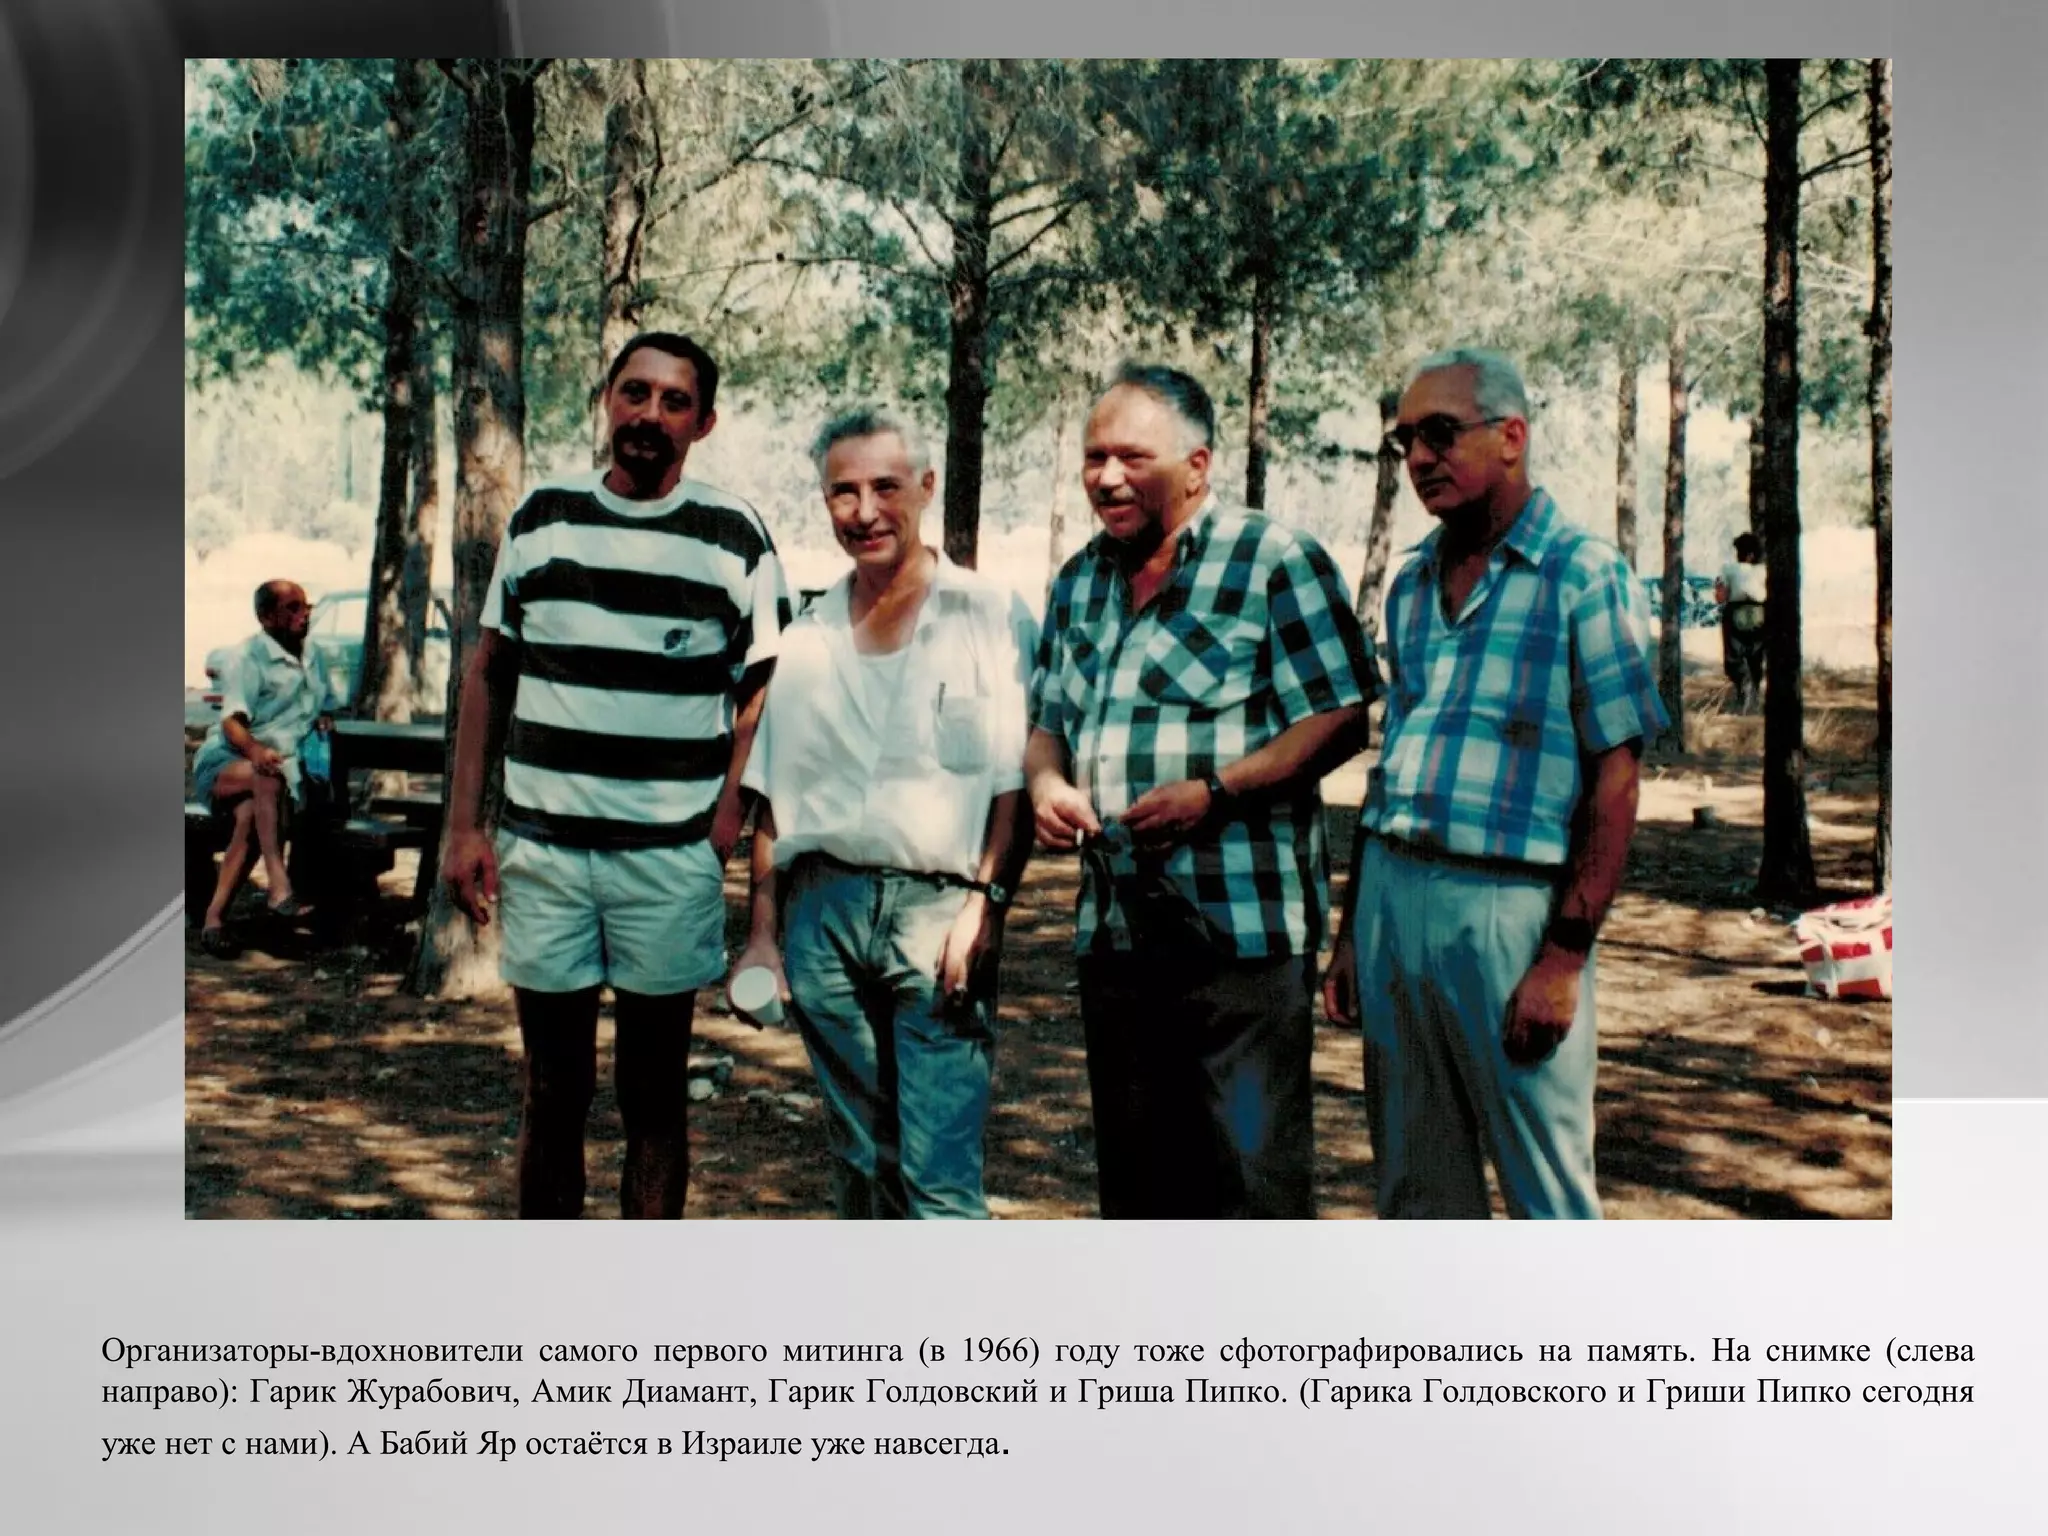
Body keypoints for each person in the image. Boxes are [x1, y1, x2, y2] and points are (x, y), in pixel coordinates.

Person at [441, 332, 793, 1220]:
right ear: (607, 399)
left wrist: (727, 816)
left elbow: (766, 692)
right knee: (553, 1095)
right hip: (546, 856)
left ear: (703, 422)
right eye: (635, 393)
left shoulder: (735, 535)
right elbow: (488, 673)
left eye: (675, 401)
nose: (650, 414)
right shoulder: (543, 519)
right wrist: (464, 826)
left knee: (654, 1101)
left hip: (666, 863)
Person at [1323, 347, 1667, 1220]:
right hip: (1396, 898)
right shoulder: (1410, 583)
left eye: (1442, 434)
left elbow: (1615, 783)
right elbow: (1393, 763)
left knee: (1545, 1193)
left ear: (1511, 436)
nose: (1420, 460)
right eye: (1405, 442)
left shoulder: (1583, 577)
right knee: (1415, 1185)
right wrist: (1354, 932)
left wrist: (1563, 957)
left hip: (1512, 913)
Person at [1026, 364, 1376, 1220]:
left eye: (1132, 457)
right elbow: (1049, 724)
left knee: (1249, 1187)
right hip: (1115, 933)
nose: (1107, 477)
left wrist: (1214, 793)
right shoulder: (1078, 581)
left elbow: (1338, 719)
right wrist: (1045, 785)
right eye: (1094, 457)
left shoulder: (1275, 562)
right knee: (1141, 1189)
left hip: (1241, 938)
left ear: (1197, 465)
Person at [728, 408, 1037, 1219]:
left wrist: (987, 905)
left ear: (926, 489)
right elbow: (773, 806)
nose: (864, 511)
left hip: (938, 916)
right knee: (863, 1163)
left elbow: (1014, 784)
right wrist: (762, 932)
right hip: (822, 918)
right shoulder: (809, 634)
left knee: (938, 1181)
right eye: (843, 492)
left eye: (884, 487)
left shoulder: (990, 616)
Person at [190, 580, 332, 957]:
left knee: (252, 815)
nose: (304, 616)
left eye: (306, 607)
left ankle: (214, 919)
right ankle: (278, 885)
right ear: (266, 617)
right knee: (267, 776)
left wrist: (323, 721)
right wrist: (255, 750)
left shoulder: (315, 654)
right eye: (293, 609)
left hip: (275, 775)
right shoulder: (248, 658)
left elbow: (322, 704)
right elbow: (232, 724)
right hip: (226, 763)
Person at [1716, 531, 1768, 712]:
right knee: (1756, 657)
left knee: (1733, 657)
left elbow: (1720, 597)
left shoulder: (1729, 569)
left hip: (1736, 612)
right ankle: (1752, 696)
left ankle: (1743, 686)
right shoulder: (1765, 571)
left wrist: (1720, 587)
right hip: (1761, 613)